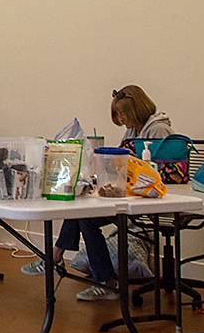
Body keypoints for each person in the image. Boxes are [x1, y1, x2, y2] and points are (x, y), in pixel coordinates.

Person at [29, 85, 168, 300]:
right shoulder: (133, 130)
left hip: (151, 200)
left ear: (136, 109)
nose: (121, 119)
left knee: (86, 217)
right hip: (132, 194)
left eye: (123, 114)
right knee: (82, 209)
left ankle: (68, 263)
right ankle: (69, 263)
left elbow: (156, 173)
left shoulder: (158, 131)